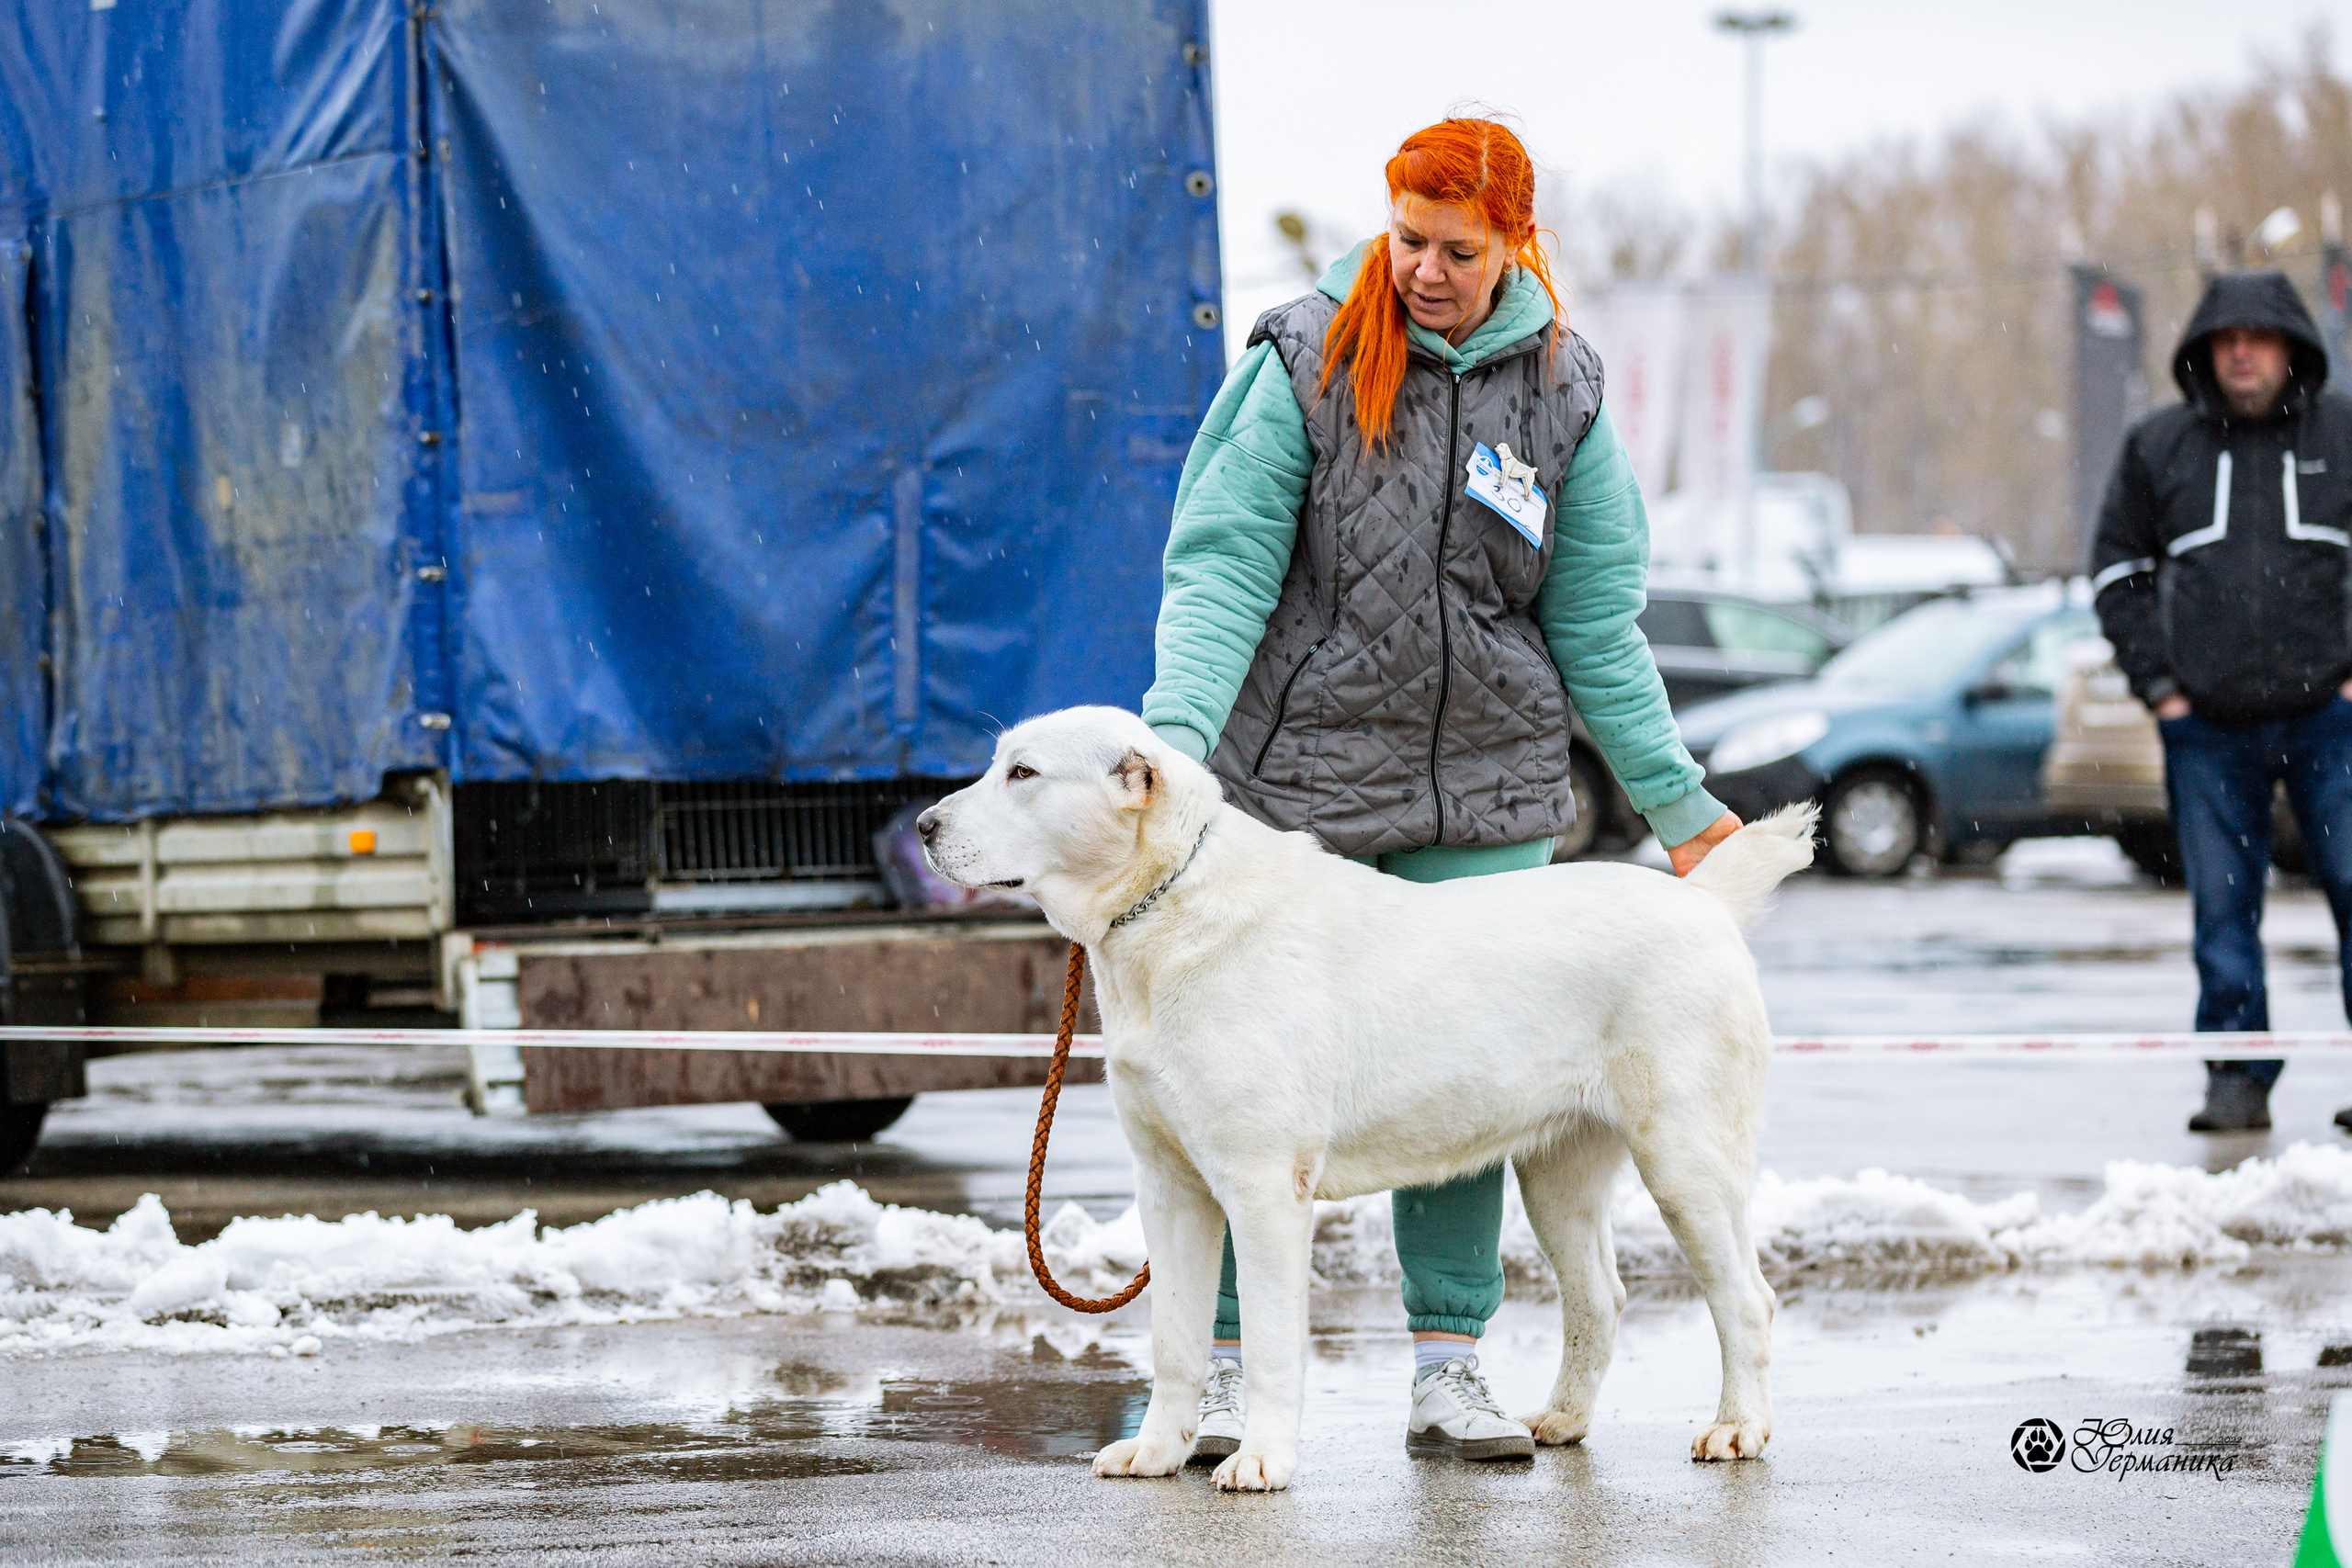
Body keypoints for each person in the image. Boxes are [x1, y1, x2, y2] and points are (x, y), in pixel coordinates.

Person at [1140, 118, 1738, 1462]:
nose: (1424, 269)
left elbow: (1596, 621)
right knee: (1243, 1092)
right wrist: (1177, 746)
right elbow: (1224, 561)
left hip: (1489, 787)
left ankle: (1448, 1365)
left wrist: (1682, 804)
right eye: (1408, 238)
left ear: (1514, 243)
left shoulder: (1564, 388)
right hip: (1294, 781)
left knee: (1471, 1081)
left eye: (1458, 250)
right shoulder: (1306, 353)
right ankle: (1225, 1375)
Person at [2089, 269, 2352, 1134]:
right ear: (2204, 352)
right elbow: (2119, 572)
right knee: (2222, 904)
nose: (2241, 351)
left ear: (2292, 348)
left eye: (2260, 336)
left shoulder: (2344, 434)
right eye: (2224, 338)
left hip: (2333, 718)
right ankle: (2238, 1078)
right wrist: (2161, 690)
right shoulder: (2158, 446)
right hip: (2204, 725)